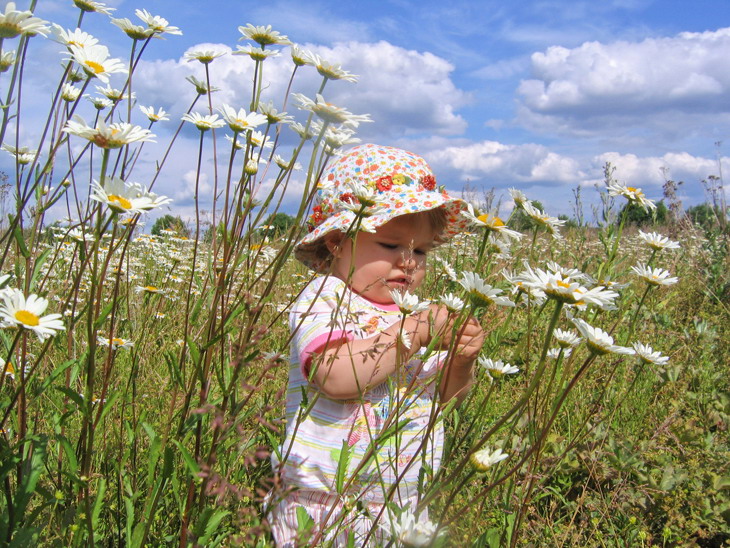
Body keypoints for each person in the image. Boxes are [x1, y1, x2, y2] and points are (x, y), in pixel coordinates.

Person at [270, 144, 485, 546]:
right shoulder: (326, 297)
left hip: (400, 501)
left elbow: (445, 400)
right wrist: (414, 333)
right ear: (336, 241)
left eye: (421, 251)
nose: (409, 261)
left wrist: (460, 362)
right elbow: (332, 374)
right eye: (390, 245)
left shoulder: (413, 312)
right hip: (326, 504)